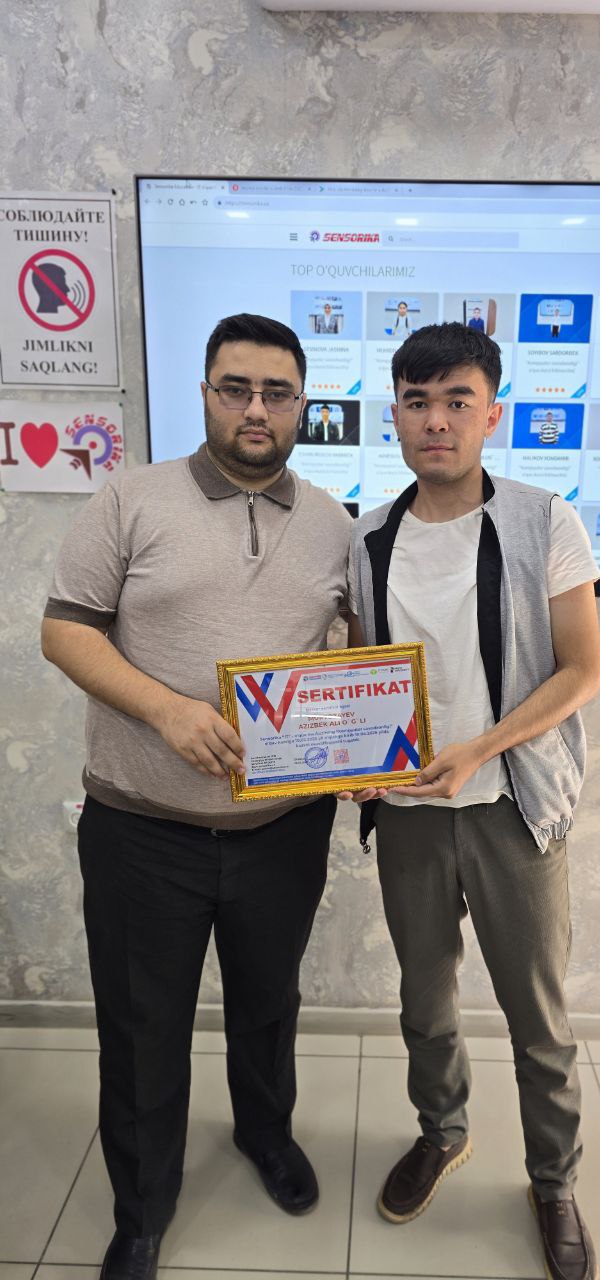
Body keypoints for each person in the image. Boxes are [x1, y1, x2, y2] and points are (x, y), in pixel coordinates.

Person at [41, 314, 352, 1280]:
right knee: (142, 1028)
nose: (256, 408)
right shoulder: (128, 499)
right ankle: (142, 1208)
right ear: (206, 393)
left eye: (276, 392)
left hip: (282, 831)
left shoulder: (335, 522)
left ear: (302, 404)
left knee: (267, 1004)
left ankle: (265, 1133)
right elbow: (65, 631)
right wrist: (168, 712)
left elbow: (351, 651)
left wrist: (354, 714)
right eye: (236, 388)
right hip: (142, 830)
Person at [343, 322, 600, 1280]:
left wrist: (479, 751)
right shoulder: (367, 535)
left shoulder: (544, 521)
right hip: (409, 815)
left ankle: (553, 1182)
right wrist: (349, 754)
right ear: (395, 415)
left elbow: (581, 670)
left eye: (458, 401)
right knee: (424, 999)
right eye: (417, 402)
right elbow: (358, 671)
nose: (436, 421)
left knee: (538, 1016)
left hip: (512, 808)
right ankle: (440, 1131)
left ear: (491, 414)